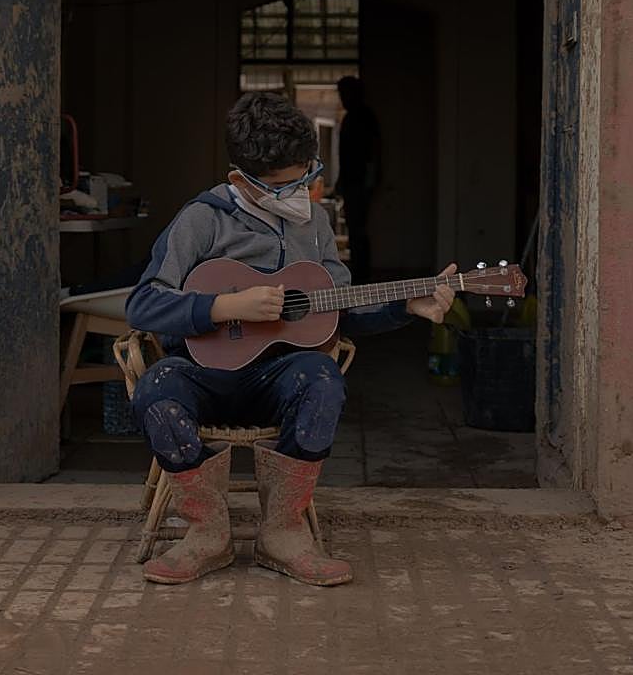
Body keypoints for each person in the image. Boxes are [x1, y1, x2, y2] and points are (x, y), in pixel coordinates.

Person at [125, 91, 455, 587]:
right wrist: (225, 307)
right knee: (156, 389)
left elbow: (335, 313)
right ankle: (205, 532)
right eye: (287, 184)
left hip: (278, 379)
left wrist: (405, 307)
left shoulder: (314, 223)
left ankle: (282, 531)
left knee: (323, 378)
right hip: (203, 376)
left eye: (307, 175)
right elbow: (143, 304)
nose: (302, 189)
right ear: (242, 179)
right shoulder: (202, 218)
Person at [335, 76, 381, 283]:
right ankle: (358, 271)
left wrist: (370, 181)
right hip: (351, 181)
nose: (342, 98)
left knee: (359, 230)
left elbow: (373, 153)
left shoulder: (363, 117)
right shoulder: (351, 117)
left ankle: (362, 274)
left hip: (360, 182)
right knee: (355, 229)